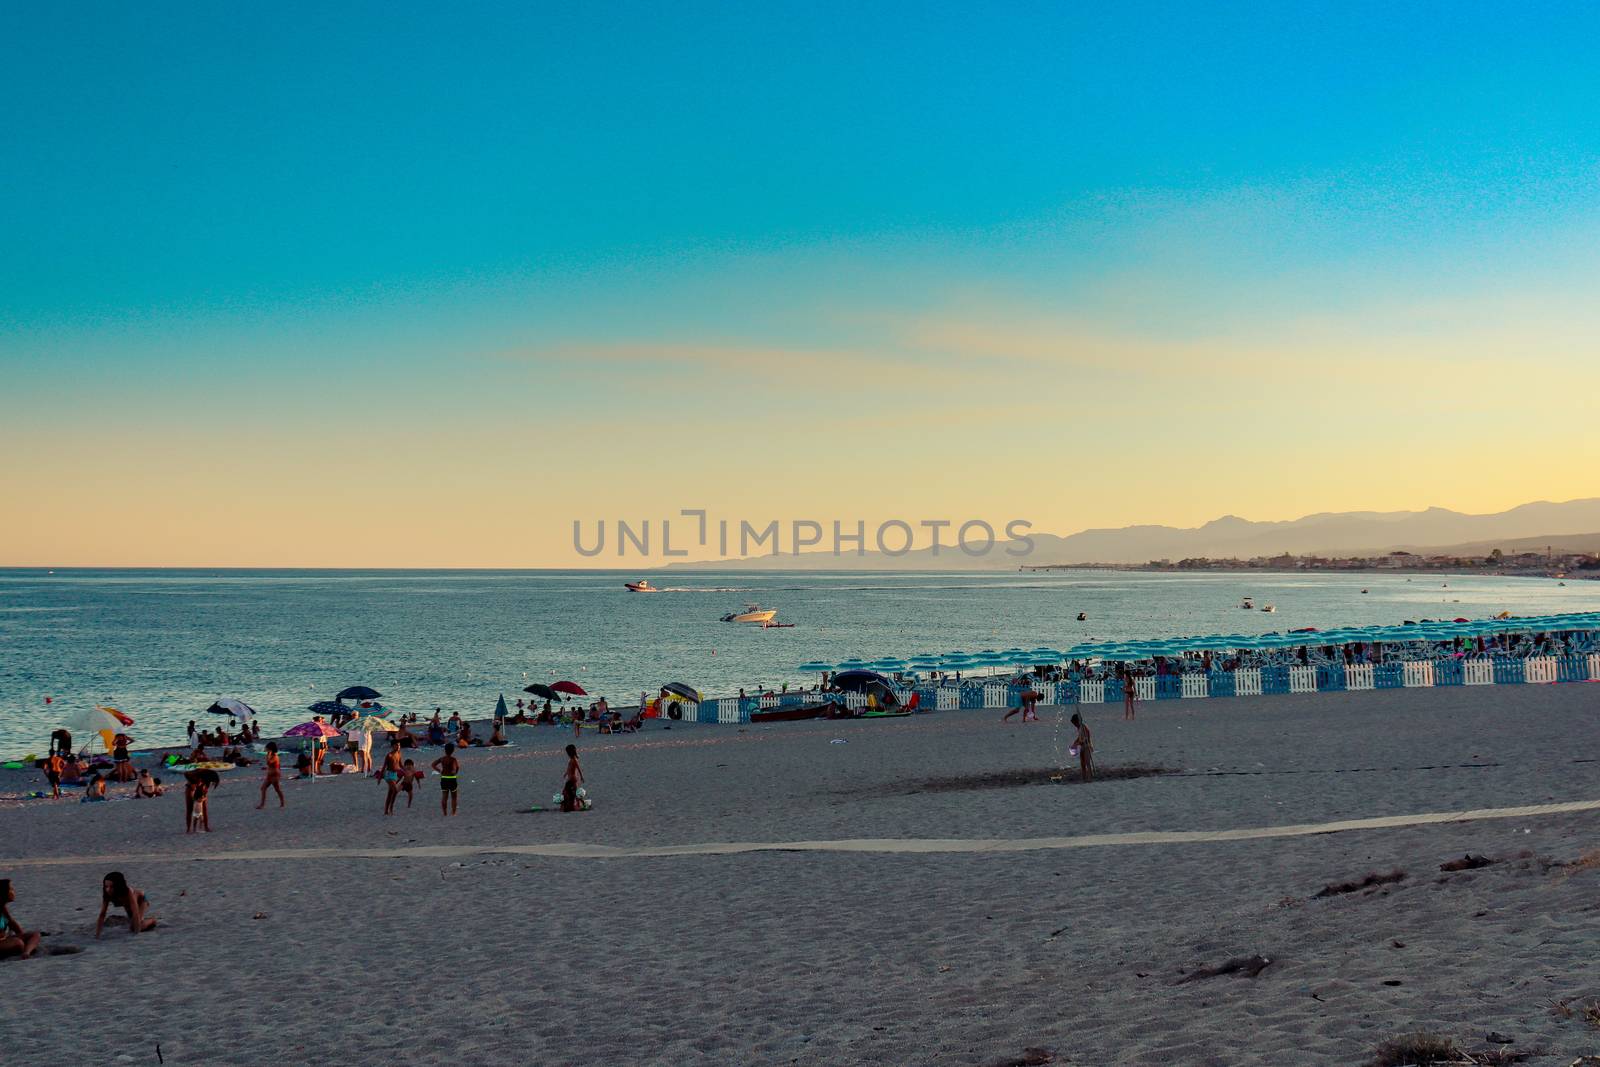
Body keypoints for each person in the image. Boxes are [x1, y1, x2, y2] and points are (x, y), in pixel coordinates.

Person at [96, 872, 156, 938]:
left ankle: (152, 921)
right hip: (127, 904)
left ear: (118, 886)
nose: (108, 890)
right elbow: (102, 914)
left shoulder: (128, 892)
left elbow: (135, 913)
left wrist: (137, 935)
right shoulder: (107, 894)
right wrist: (97, 935)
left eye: (112, 887)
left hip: (142, 900)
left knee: (134, 927)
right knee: (132, 922)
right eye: (106, 887)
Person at [0, 880, 42, 959]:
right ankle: (24, 950)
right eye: (11, 889)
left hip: (4, 940)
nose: (13, 892)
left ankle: (26, 953)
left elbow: (12, 924)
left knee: (35, 935)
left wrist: (24, 937)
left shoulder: (3, 908)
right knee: (18, 942)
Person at [431, 744, 460, 816]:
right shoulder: (453, 759)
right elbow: (455, 768)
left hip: (444, 778)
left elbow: (433, 764)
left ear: (445, 750)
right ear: (453, 750)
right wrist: (454, 772)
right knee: (454, 797)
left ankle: (445, 813)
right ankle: (453, 813)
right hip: (452, 779)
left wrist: (440, 771)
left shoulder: (442, 759)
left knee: (444, 796)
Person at [256, 741, 284, 809]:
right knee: (263, 788)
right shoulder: (269, 754)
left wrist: (269, 755)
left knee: (277, 789)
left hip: (275, 775)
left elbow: (269, 762)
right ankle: (262, 805)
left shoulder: (275, 756)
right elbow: (269, 765)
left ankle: (282, 803)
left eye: (267, 748)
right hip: (269, 775)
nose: (266, 749)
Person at [381, 742, 405, 816]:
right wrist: (380, 777)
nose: (398, 747)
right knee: (395, 790)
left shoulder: (399, 754)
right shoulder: (389, 755)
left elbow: (400, 764)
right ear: (392, 746)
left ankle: (386, 810)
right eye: (396, 745)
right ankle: (391, 807)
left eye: (399, 745)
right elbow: (384, 767)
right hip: (388, 774)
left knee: (390, 793)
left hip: (395, 774)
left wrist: (406, 771)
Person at [1071, 713, 1094, 783]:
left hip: (1087, 747)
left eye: (1075, 723)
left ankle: (1090, 777)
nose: (1074, 725)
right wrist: (1075, 743)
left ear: (1077, 722)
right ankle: (1084, 777)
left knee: (1087, 763)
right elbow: (1079, 738)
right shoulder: (1079, 728)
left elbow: (1084, 739)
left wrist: (1077, 744)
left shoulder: (1083, 728)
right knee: (1082, 764)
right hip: (1082, 747)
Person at [561, 744, 583, 812]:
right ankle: (567, 805)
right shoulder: (571, 760)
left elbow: (579, 769)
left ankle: (579, 804)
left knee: (574, 792)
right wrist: (565, 773)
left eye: (567, 752)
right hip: (570, 779)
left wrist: (582, 777)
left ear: (570, 752)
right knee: (566, 792)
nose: (567, 754)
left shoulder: (574, 760)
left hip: (573, 779)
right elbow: (569, 769)